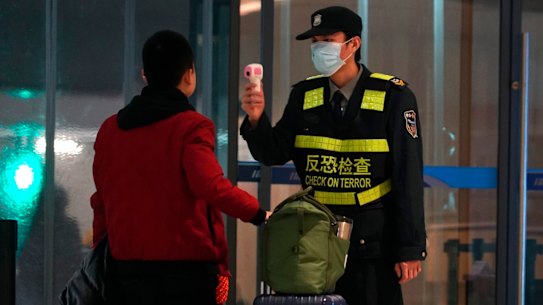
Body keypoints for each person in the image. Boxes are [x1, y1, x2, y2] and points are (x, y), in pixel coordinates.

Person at [240, 6, 426, 305]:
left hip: (371, 242)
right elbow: (273, 152)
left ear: (353, 44)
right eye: (315, 42)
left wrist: (410, 247)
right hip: (316, 241)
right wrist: (255, 119)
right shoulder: (304, 95)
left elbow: (408, 176)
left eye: (327, 39)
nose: (319, 48)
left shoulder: (394, 96)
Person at [90, 30, 268, 305]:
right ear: (189, 75)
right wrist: (257, 212)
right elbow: (210, 185)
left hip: (124, 270)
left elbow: (100, 201)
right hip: (185, 273)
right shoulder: (191, 126)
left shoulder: (110, 130)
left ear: (145, 75)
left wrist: (100, 255)